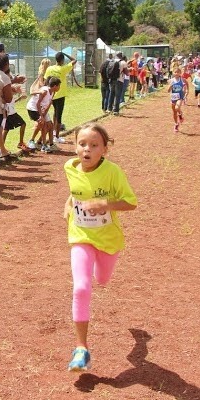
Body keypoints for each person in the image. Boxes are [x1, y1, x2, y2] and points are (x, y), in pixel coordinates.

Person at [63, 123, 137, 371]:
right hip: (80, 234)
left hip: (108, 240)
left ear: (105, 149)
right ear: (75, 147)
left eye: (94, 145)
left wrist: (104, 203)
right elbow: (76, 191)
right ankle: (81, 349)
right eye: (82, 144)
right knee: (81, 287)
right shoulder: (69, 167)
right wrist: (69, 204)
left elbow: (131, 203)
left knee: (102, 279)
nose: (87, 149)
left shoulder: (113, 172)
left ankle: (98, 268)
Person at [44, 52, 76, 142]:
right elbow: (74, 60)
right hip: (60, 95)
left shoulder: (49, 68)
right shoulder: (63, 68)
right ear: (62, 60)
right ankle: (57, 137)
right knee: (59, 116)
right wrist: (66, 54)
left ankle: (54, 132)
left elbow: (46, 81)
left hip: (51, 95)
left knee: (55, 113)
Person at [27, 77, 60, 153]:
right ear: (55, 86)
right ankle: (42, 145)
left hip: (42, 109)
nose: (59, 88)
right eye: (59, 86)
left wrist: (44, 114)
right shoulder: (45, 91)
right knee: (43, 125)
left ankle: (51, 144)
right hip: (33, 108)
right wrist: (41, 117)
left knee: (50, 125)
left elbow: (48, 104)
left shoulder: (53, 92)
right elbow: (37, 104)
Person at [167, 68, 187, 132]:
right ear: (173, 73)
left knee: (177, 107)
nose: (176, 73)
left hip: (179, 97)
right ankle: (176, 124)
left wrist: (184, 92)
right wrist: (171, 85)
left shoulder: (182, 80)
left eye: (178, 72)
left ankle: (180, 115)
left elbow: (185, 88)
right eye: (175, 72)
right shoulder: (171, 80)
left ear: (180, 73)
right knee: (174, 112)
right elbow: (168, 91)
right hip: (173, 98)